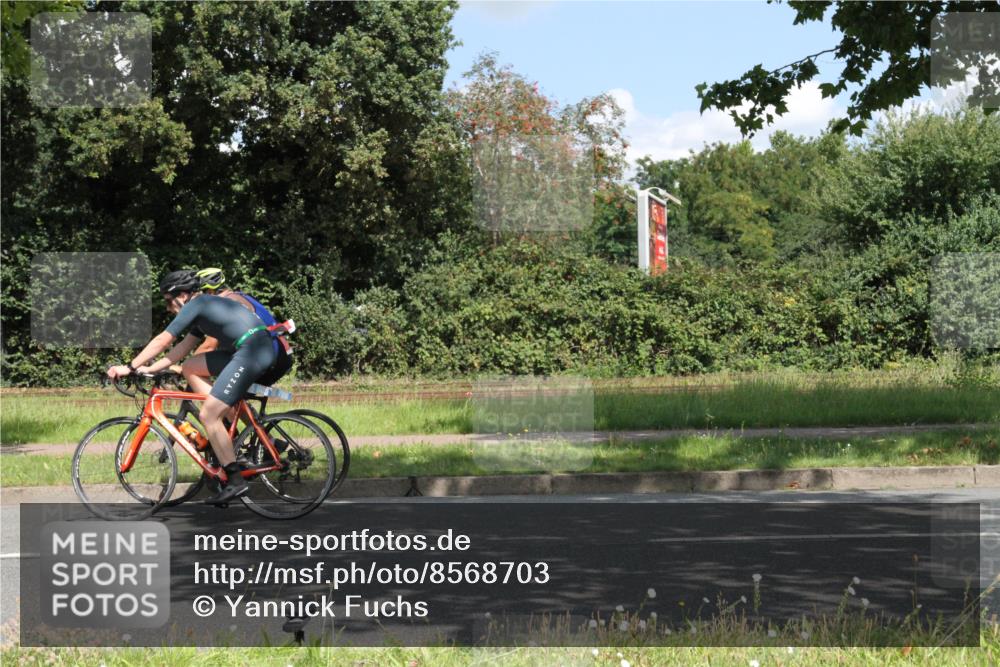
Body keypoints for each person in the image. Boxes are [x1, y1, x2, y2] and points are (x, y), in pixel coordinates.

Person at [106, 270, 278, 505]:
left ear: (183, 295)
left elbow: (163, 340)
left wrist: (129, 366)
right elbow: (181, 350)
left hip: (253, 351)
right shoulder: (203, 310)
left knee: (208, 415)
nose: (168, 308)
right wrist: (150, 369)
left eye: (168, 301)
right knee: (191, 366)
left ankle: (236, 481)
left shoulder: (197, 304)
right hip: (247, 349)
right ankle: (225, 414)